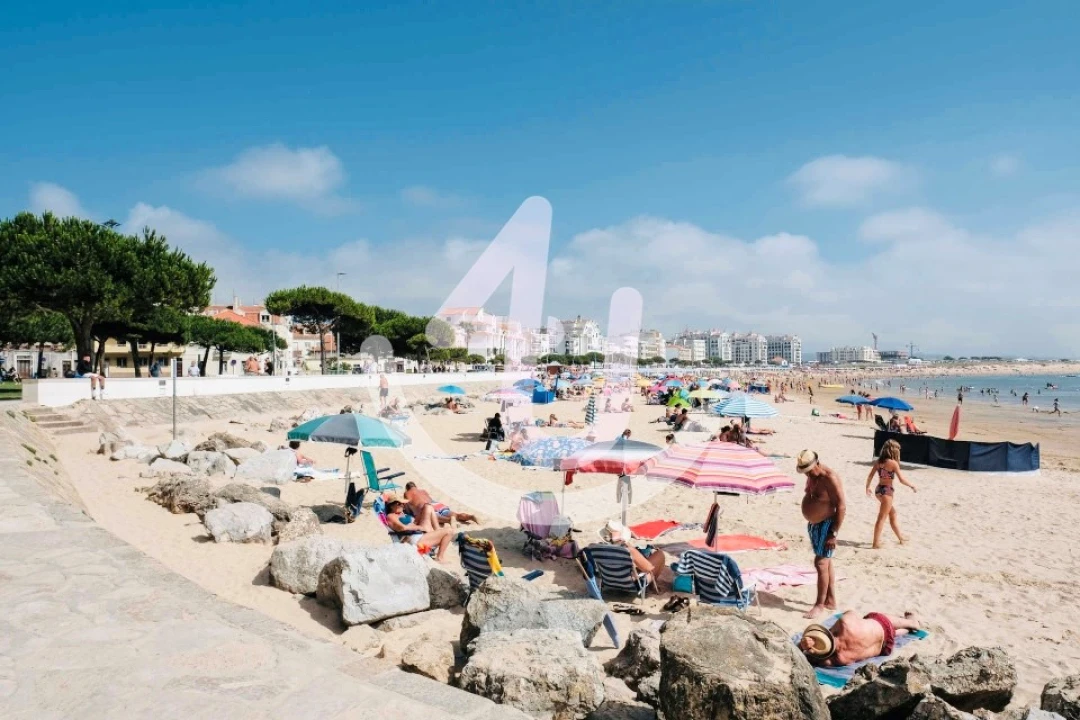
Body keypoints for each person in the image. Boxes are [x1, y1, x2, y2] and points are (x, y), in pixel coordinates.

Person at [797, 449, 846, 619]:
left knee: (821, 562)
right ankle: (830, 600)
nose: (807, 474)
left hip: (827, 524)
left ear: (817, 463)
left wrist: (833, 534)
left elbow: (841, 506)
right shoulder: (813, 477)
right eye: (805, 472)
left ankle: (819, 605)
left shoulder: (829, 478)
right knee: (826, 562)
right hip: (815, 525)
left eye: (809, 470)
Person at [799, 611, 922, 667]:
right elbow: (851, 612)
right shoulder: (844, 623)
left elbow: (812, 659)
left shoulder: (840, 659)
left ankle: (908, 629)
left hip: (885, 647)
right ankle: (912, 623)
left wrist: (805, 647)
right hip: (882, 625)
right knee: (878, 618)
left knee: (892, 633)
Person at [865, 440, 917, 548]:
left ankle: (901, 538)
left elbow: (870, 476)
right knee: (882, 517)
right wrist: (911, 485)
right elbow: (901, 480)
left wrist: (868, 487)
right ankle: (875, 544)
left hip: (879, 490)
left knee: (892, 513)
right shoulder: (893, 463)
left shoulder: (879, 462)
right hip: (887, 492)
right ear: (893, 451)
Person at [384, 498, 454, 562]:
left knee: (428, 506)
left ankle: (438, 530)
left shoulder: (401, 514)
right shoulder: (391, 516)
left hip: (420, 536)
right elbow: (402, 528)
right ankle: (439, 557)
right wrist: (419, 527)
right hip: (416, 543)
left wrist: (420, 516)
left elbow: (413, 524)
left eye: (403, 503)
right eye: (399, 504)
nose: (402, 505)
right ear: (391, 506)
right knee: (449, 531)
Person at [404, 481, 478, 526]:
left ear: (407, 488)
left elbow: (407, 506)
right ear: (415, 486)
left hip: (426, 506)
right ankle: (470, 517)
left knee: (432, 517)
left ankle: (449, 520)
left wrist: (408, 511)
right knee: (456, 515)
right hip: (436, 504)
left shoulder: (407, 493)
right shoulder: (423, 491)